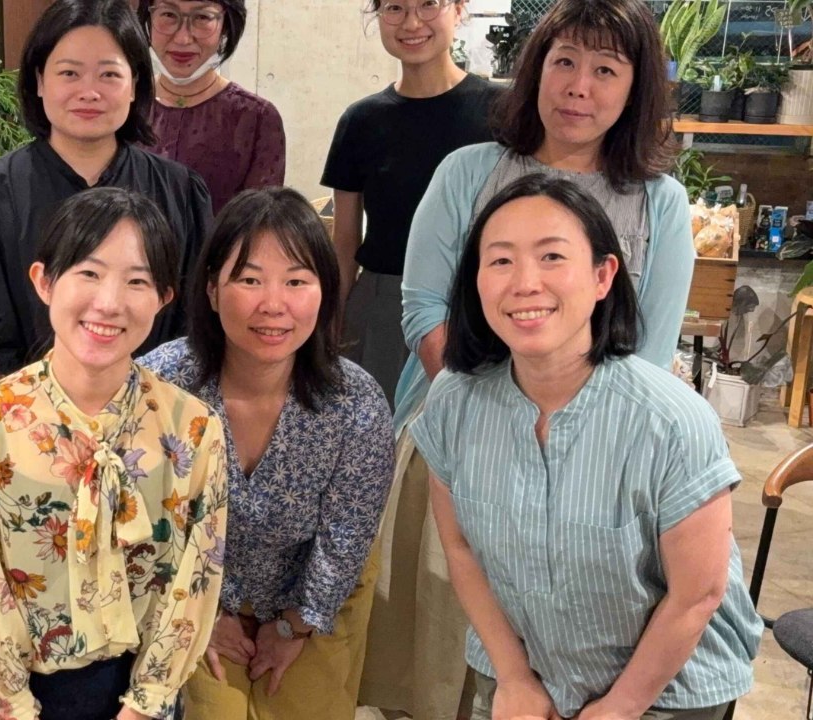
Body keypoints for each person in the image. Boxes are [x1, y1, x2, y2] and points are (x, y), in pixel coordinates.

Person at [372, 0, 697, 716]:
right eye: (564, 62)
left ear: (635, 88)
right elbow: (424, 311)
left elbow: (649, 355)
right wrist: (497, 422)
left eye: (605, 70)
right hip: (458, 441)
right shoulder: (468, 172)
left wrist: (567, 439)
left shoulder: (660, 204)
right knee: (443, 659)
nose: (579, 86)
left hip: (604, 461)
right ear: (535, 71)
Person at [415, 173, 762, 720]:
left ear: (603, 276)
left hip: (664, 691)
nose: (525, 283)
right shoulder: (453, 401)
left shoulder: (669, 420)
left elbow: (697, 593)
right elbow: (461, 549)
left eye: (552, 257)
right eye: (500, 260)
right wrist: (514, 678)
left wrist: (620, 707)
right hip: (522, 675)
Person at [0, 186, 229, 720]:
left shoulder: (193, 428)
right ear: (44, 281)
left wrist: (146, 704)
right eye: (89, 273)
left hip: (141, 696)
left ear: (164, 297)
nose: (109, 303)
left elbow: (197, 577)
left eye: (137, 281)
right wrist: (12, 706)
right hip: (12, 698)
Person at [140, 187, 394, 720]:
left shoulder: (354, 401)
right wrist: (205, 611)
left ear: (324, 291)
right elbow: (143, 518)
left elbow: (347, 535)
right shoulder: (162, 385)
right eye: (250, 280)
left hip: (316, 590)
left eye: (296, 281)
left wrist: (295, 625)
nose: (273, 304)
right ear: (212, 290)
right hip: (191, 590)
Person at [0, 0, 214, 392]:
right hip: (21, 418)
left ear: (134, 85)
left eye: (109, 74)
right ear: (40, 81)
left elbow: (194, 329)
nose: (89, 92)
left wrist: (142, 414)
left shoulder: (180, 193)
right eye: (69, 73)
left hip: (155, 415)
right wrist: (48, 420)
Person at [321, 0, 500, 409]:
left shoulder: (501, 112)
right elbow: (344, 241)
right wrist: (330, 325)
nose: (412, 22)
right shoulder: (360, 120)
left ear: (459, 9)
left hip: (477, 301)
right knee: (378, 430)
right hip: (383, 305)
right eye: (395, 8)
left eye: (428, 5)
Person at [138, 0, 285, 214]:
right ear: (148, 17)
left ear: (226, 25)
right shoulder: (124, 104)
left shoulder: (257, 117)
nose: (183, 38)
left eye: (202, 17)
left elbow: (257, 223)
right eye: (168, 15)